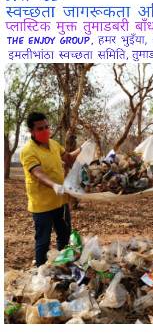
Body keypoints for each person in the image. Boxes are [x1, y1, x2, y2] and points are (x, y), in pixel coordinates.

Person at [19, 112, 82, 266]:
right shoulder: (28, 151)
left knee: (65, 236)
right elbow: (38, 173)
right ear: (32, 131)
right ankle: (41, 271)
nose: (45, 130)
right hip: (42, 206)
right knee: (43, 241)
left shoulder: (53, 144)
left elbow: (67, 157)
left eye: (47, 127)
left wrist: (82, 149)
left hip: (60, 202)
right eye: (41, 129)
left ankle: (63, 266)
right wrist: (54, 185)